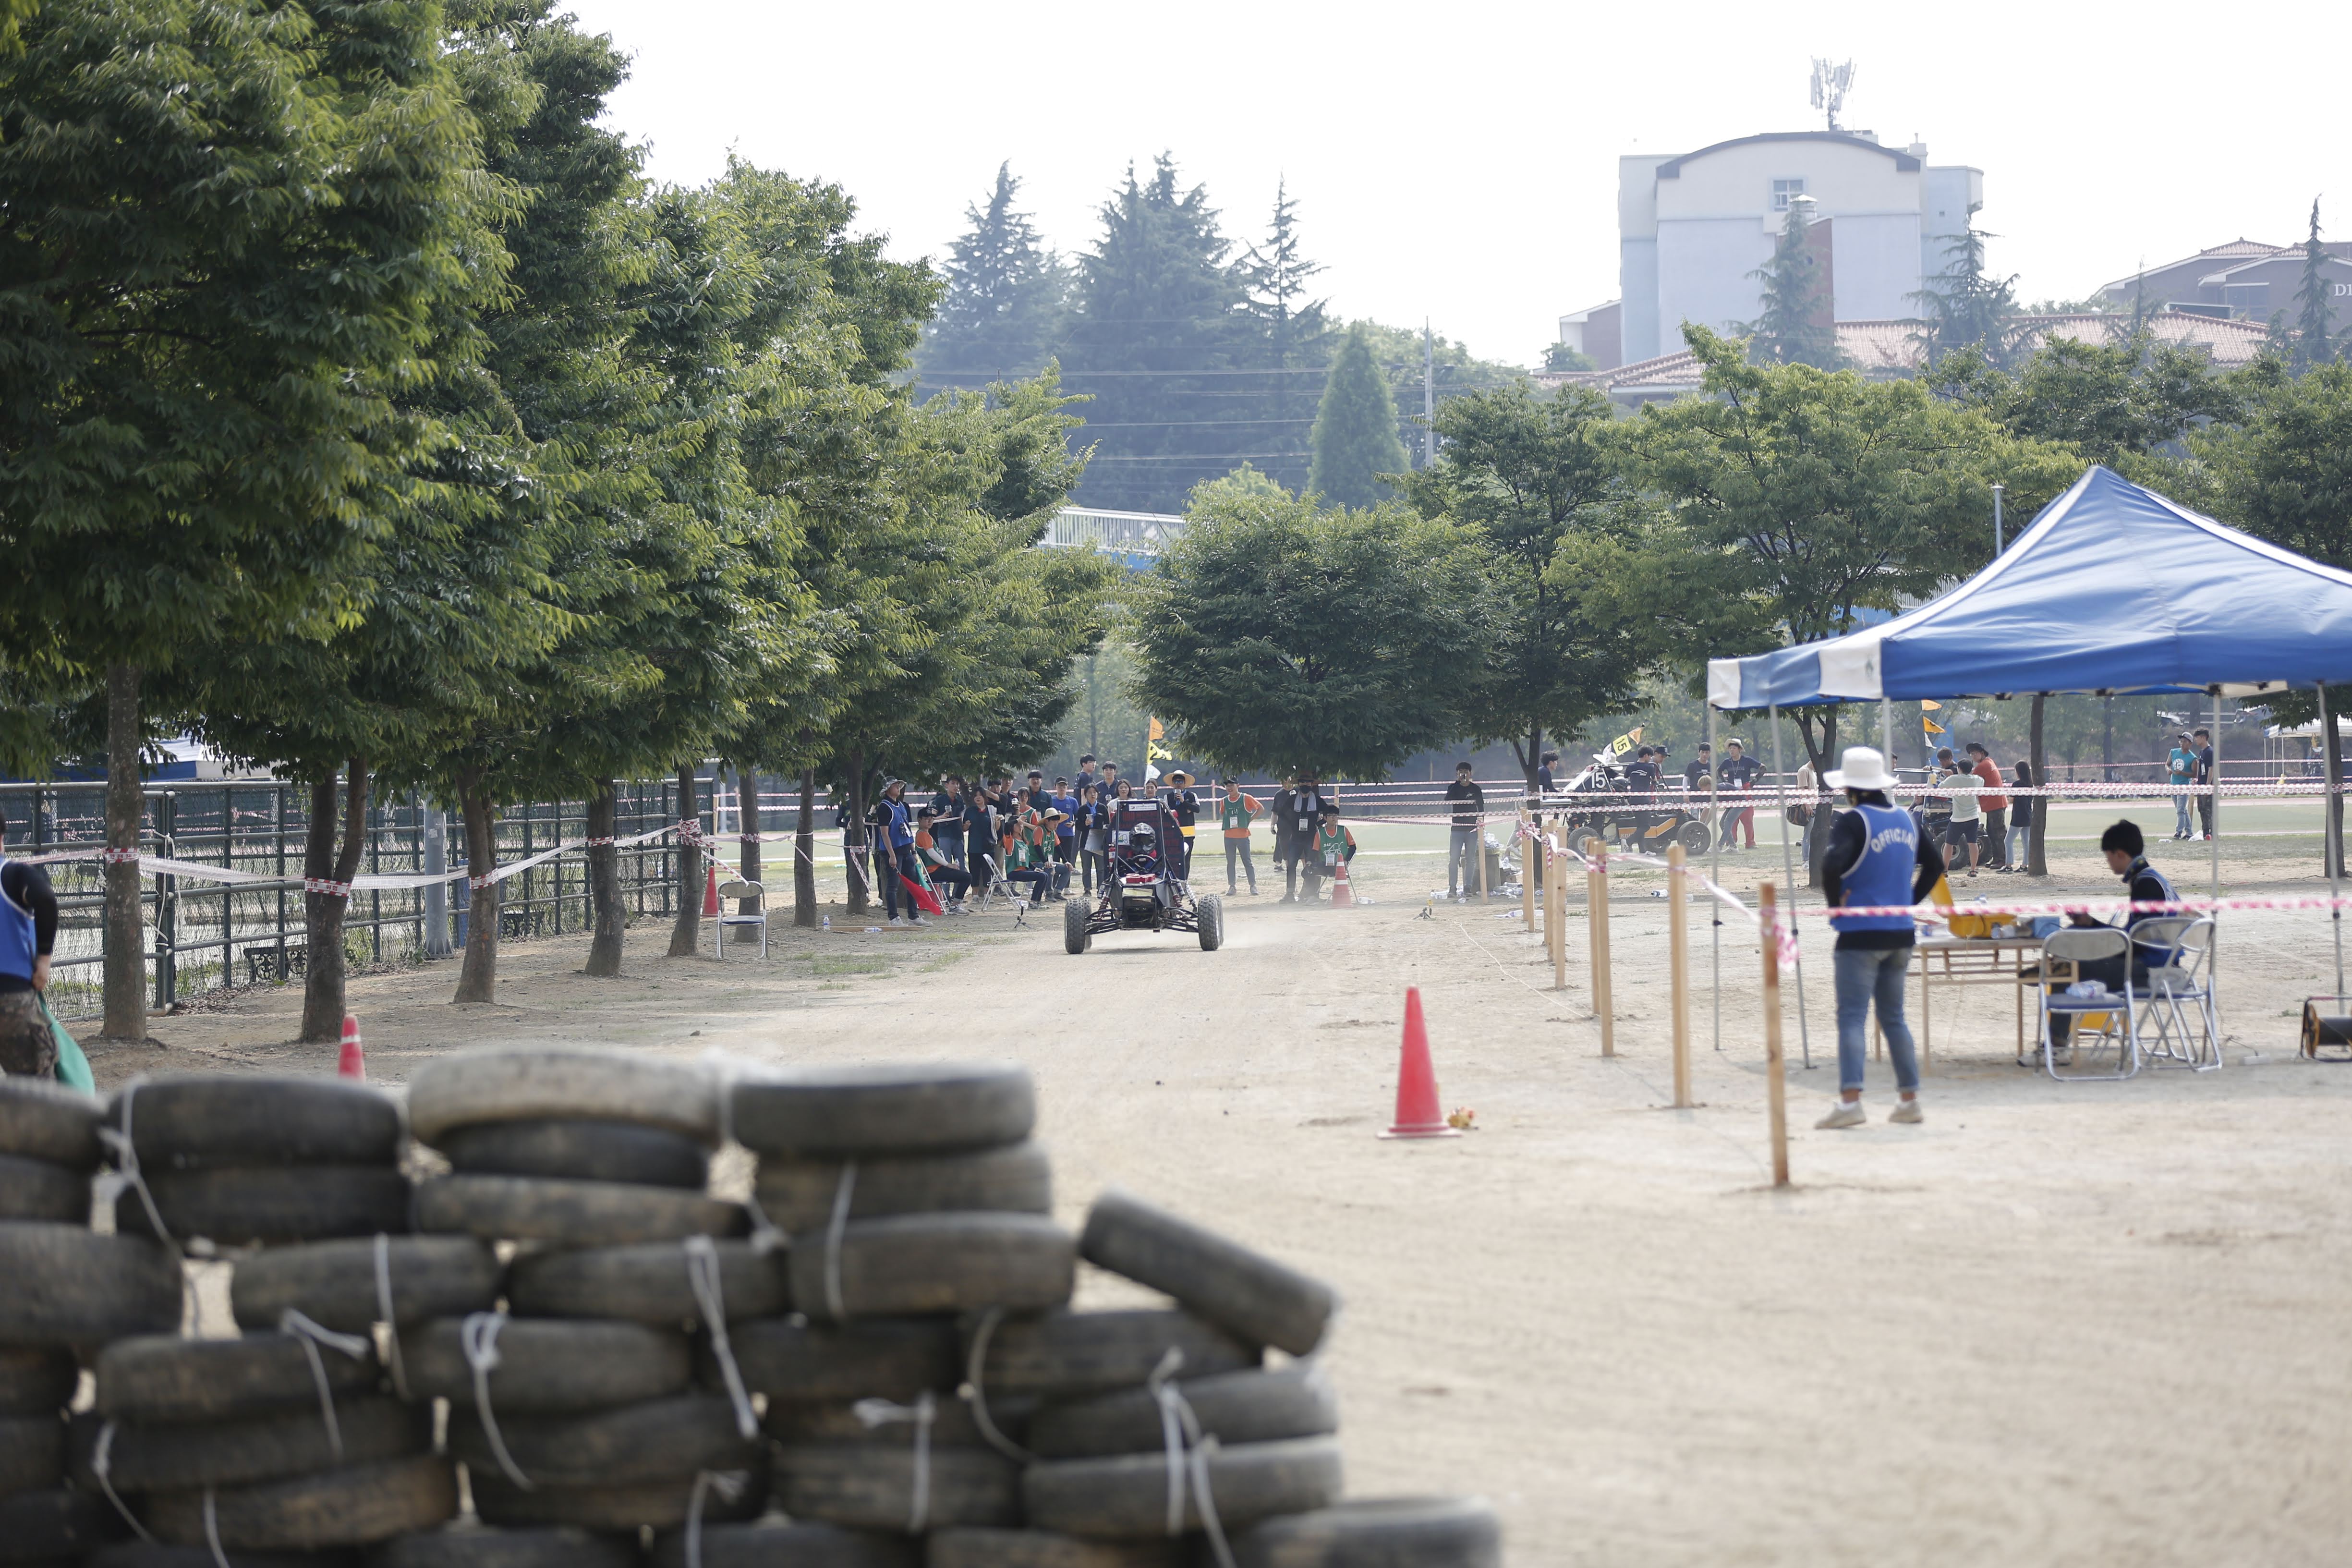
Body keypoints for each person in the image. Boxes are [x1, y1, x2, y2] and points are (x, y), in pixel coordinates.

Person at [1817, 746, 1944, 1129]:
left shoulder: (1852, 820)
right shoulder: (1907, 818)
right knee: (1894, 1018)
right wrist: (1910, 901)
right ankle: (1909, 1099)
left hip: (1859, 934)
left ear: (1851, 788)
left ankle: (1851, 1100)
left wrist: (1835, 904)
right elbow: (1936, 863)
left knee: (1853, 1018)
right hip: (1901, 933)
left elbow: (1831, 862)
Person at [2047, 820, 2179, 1052]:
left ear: (2119, 854)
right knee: (2072, 963)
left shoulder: (2146, 886)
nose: (2108, 864)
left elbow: (2131, 945)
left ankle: (2056, 1045)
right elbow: (2133, 939)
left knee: (2068, 969)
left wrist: (2092, 940)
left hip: (2150, 971)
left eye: (2108, 858)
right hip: (2157, 964)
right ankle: (2057, 1040)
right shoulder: (2153, 879)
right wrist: (2091, 924)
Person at [0, 809, 61, 1077]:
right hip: (11, 998)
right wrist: (44, 960)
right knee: (34, 1098)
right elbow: (46, 898)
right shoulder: (12, 874)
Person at [875, 780, 925, 927]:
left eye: (899, 786)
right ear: (887, 789)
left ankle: (913, 916)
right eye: (895, 786)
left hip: (906, 850)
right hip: (893, 851)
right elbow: (885, 834)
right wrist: (891, 855)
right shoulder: (884, 807)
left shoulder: (902, 806)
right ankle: (893, 918)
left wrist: (913, 850)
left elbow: (907, 830)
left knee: (913, 884)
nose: (898, 788)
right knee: (893, 886)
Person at [913, 809, 973, 911]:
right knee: (967, 877)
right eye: (926, 819)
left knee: (965, 876)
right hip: (934, 871)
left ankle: (955, 904)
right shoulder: (923, 834)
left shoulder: (926, 834)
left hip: (937, 870)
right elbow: (931, 853)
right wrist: (948, 865)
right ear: (919, 820)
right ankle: (955, 905)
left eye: (931, 819)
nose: (930, 821)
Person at [1444, 762, 1484, 901]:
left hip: (1472, 829)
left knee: (1471, 859)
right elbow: (1447, 800)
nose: (1464, 774)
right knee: (1454, 859)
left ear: (1470, 773)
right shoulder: (1453, 788)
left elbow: (1481, 808)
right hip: (1456, 828)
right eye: (1461, 772)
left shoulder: (1476, 789)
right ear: (1457, 774)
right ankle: (1452, 889)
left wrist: (1481, 823)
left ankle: (1468, 888)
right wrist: (1457, 783)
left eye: (1466, 772)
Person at [1967, 743, 2010, 872]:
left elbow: (1969, 778)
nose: (1973, 756)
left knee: (1998, 832)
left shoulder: (1983, 766)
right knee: (1992, 832)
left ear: (1982, 753)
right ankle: (1998, 858)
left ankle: (2003, 859)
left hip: (1994, 803)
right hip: (1995, 803)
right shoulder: (1989, 762)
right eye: (1971, 754)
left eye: (1975, 753)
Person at [1217, 777, 1263, 896]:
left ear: (1238, 786)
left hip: (1243, 835)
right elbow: (1223, 813)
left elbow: (1261, 809)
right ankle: (1232, 887)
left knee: (1247, 861)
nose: (1229, 787)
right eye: (1227, 785)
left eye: (1232, 785)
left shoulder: (1246, 798)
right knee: (1230, 862)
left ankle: (1253, 886)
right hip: (1229, 836)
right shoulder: (1224, 801)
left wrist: (1250, 819)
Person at [1942, 753, 1984, 879]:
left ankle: (1944, 870)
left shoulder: (1954, 779)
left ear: (1959, 769)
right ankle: (1973, 870)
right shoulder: (1977, 779)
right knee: (1973, 843)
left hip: (1958, 818)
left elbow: (1940, 787)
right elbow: (1982, 782)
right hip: (1973, 817)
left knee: (1949, 844)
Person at [1303, 808, 1356, 902]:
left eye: (1336, 816)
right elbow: (1315, 850)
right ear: (1326, 818)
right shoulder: (1320, 832)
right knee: (1308, 870)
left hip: (1339, 866)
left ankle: (1314, 896)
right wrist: (1310, 862)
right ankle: (1312, 896)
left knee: (1319, 869)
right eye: (1331, 816)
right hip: (1325, 864)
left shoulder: (1343, 830)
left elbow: (1353, 847)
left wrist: (1346, 860)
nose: (1334, 818)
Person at [1717, 739, 1761, 850]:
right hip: (1732, 791)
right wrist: (1725, 782)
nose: (1731, 750)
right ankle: (1731, 842)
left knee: (1748, 818)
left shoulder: (1747, 760)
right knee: (1731, 820)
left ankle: (1750, 842)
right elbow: (1719, 771)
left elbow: (1763, 768)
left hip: (1745, 788)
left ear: (1740, 749)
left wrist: (1753, 782)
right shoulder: (1727, 762)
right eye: (1730, 748)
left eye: (1734, 748)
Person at [1163, 770, 1200, 881]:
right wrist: (1186, 810)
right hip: (1173, 832)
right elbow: (1168, 813)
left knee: (1186, 859)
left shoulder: (1192, 796)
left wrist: (1184, 802)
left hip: (1188, 831)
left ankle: (1184, 881)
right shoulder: (1168, 797)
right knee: (1173, 858)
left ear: (1185, 783)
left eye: (1181, 781)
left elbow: (1197, 809)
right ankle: (1174, 880)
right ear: (1173, 784)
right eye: (1176, 781)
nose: (1178, 783)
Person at [2005, 759, 2036, 873]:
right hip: (2028, 815)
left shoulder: (2016, 785)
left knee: (2008, 841)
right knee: (2026, 842)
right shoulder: (2031, 784)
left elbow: (2011, 800)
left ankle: (2009, 865)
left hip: (2018, 816)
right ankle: (2025, 865)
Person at [2167, 732, 2196, 840]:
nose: (2182, 743)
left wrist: (2182, 773)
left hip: (2184, 786)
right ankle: (2189, 832)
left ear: (2190, 744)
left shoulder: (2192, 758)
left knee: (2180, 810)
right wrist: (2169, 770)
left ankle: (2178, 832)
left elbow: (2194, 774)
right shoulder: (2173, 752)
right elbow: (2167, 764)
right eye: (2181, 741)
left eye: (2185, 742)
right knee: (2183, 810)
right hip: (2173, 785)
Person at [2192, 727, 2215, 841]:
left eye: (2197, 738)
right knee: (2201, 809)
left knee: (2208, 810)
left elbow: (2212, 769)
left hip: (2207, 786)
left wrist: (2207, 786)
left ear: (2203, 738)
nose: (2195, 740)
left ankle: (2212, 833)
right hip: (2201, 785)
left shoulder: (2210, 752)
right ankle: (2206, 833)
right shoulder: (2202, 752)